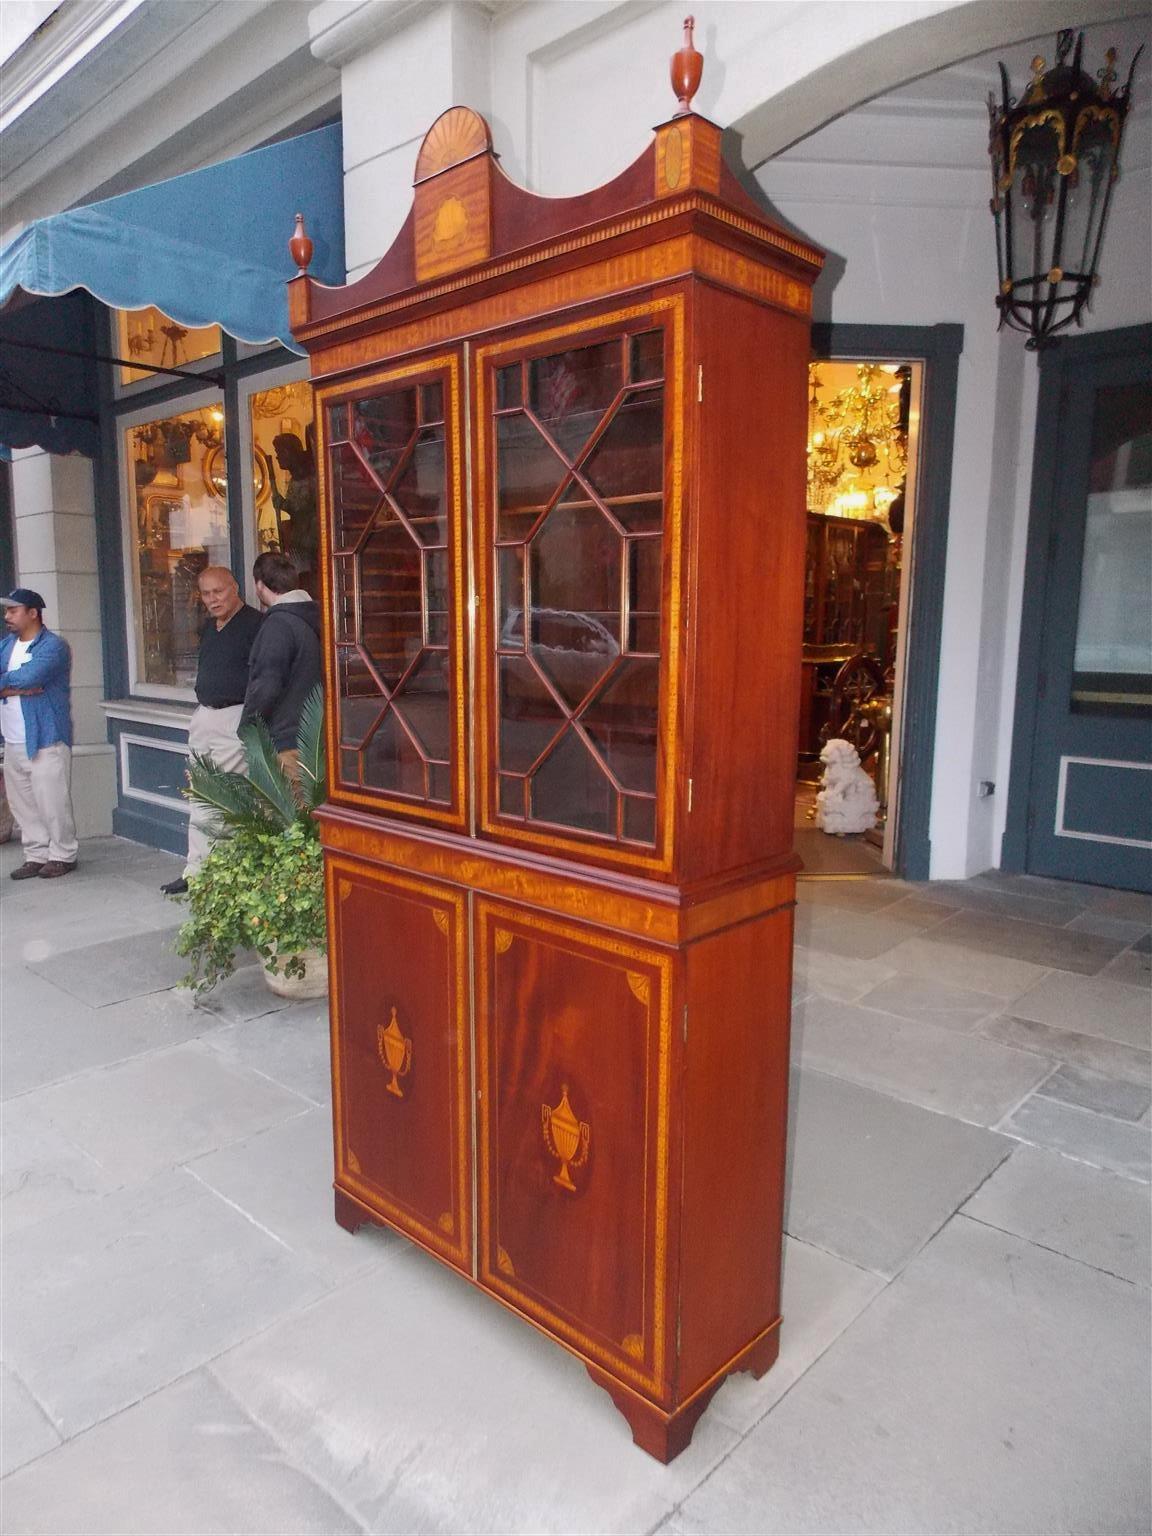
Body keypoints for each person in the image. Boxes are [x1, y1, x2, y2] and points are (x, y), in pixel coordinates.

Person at [161, 566, 262, 896]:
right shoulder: (208, 628)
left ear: (235, 588)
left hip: (235, 718)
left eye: (218, 591)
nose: (212, 599)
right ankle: (196, 870)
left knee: (231, 797)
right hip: (204, 716)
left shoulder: (255, 625)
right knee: (200, 796)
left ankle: (229, 870)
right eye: (206, 593)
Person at [0, 589, 78, 879]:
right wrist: (14, 687)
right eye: (7, 611)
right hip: (12, 737)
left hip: (46, 736)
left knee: (53, 801)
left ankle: (63, 854)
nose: (7, 616)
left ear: (33, 613)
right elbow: (25, 680)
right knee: (23, 803)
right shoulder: (6, 647)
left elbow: (32, 676)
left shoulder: (53, 646)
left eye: (13, 610)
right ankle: (36, 854)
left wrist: (9, 684)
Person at [242, 551, 322, 780]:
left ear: (259, 585)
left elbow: (267, 685)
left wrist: (247, 726)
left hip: (285, 742)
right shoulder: (315, 618)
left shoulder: (278, 625)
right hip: (316, 738)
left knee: (285, 813)